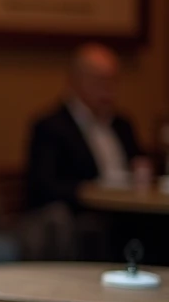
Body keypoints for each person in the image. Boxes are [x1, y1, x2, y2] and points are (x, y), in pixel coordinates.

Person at [21, 43, 146, 262]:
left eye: (113, 80)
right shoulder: (51, 126)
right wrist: (90, 190)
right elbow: (42, 185)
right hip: (83, 216)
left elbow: (140, 164)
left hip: (131, 211)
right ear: (76, 80)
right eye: (100, 80)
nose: (108, 88)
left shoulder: (123, 125)